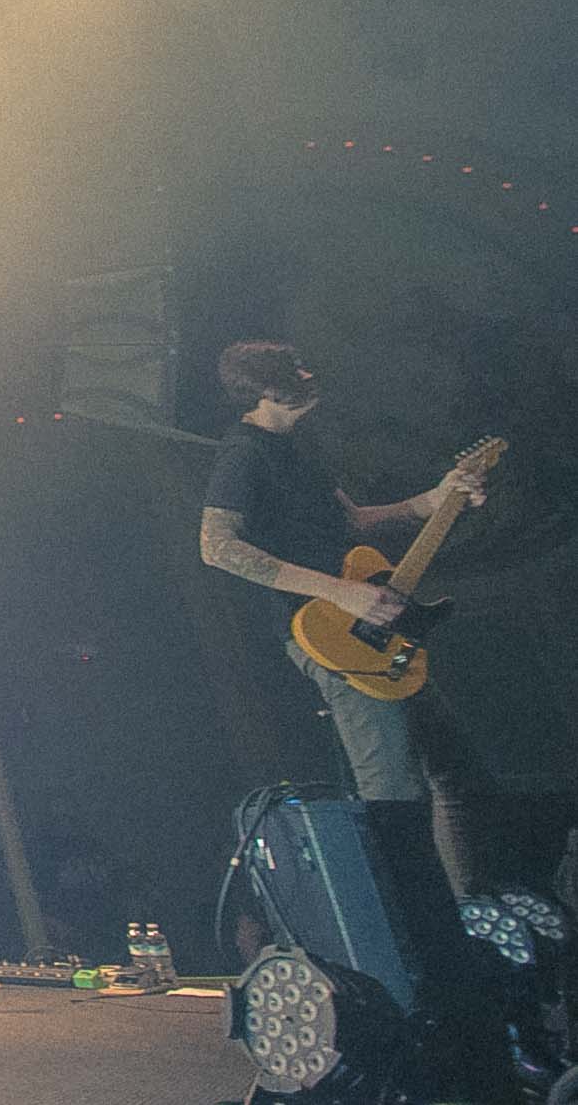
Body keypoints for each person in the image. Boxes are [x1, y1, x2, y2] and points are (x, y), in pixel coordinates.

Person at [197, 339, 491, 893]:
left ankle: (470, 902)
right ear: (264, 389)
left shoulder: (299, 448)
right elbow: (218, 547)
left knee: (457, 772)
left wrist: (434, 499)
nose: (309, 375)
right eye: (295, 372)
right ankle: (410, 927)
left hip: (375, 630)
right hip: (327, 637)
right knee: (391, 790)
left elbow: (352, 522)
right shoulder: (243, 452)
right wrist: (338, 593)